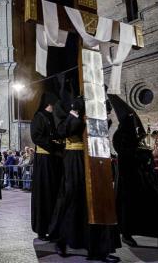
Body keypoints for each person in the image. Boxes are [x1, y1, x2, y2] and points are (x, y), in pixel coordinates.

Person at [108, 94, 158, 249]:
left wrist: (144, 153)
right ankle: (127, 234)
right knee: (129, 207)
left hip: (141, 174)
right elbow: (126, 153)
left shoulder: (132, 133)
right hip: (128, 177)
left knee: (156, 204)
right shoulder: (120, 135)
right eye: (131, 117)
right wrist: (143, 154)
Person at [50, 97, 121, 262]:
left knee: (98, 202)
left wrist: (104, 114)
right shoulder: (63, 103)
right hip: (75, 158)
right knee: (74, 200)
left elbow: (100, 130)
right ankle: (63, 240)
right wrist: (75, 111)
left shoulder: (93, 98)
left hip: (95, 156)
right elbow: (62, 131)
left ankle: (98, 248)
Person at [30, 92, 64, 241]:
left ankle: (54, 226)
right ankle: (42, 229)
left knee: (55, 193)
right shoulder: (39, 117)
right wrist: (53, 143)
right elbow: (36, 137)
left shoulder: (54, 118)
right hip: (44, 160)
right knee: (44, 193)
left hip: (55, 160)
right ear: (50, 103)